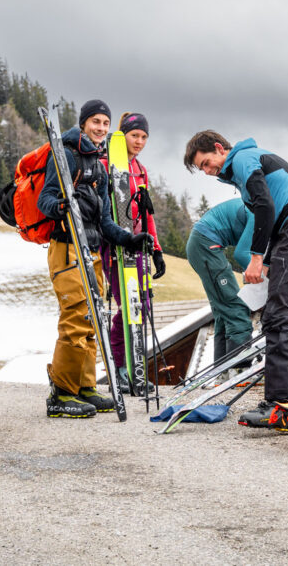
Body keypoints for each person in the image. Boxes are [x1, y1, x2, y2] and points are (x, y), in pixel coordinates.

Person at [183, 131, 288, 429]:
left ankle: (281, 404)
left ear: (220, 148)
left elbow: (265, 207)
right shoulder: (241, 169)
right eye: (202, 169)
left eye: (207, 163)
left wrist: (258, 258)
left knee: (278, 317)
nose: (208, 172)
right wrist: (268, 263)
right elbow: (269, 214)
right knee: (280, 316)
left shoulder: (244, 159)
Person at [38, 99, 152, 418]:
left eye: (105, 123)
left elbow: (104, 221)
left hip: (91, 250)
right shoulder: (66, 155)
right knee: (76, 316)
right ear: (84, 123)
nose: (101, 128)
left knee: (93, 318)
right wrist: (61, 207)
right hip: (67, 247)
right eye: (95, 122)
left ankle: (85, 386)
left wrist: (129, 238)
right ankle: (61, 393)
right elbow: (44, 199)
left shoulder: (99, 167)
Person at [100, 112, 166, 393]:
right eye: (134, 135)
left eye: (144, 137)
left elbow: (146, 213)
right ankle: (120, 368)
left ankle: (134, 366)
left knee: (142, 305)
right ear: (122, 135)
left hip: (138, 244)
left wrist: (156, 250)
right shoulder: (104, 165)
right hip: (113, 245)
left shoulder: (140, 169)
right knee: (127, 306)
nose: (139, 141)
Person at [186, 198, 255, 365]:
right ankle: (240, 370)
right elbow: (242, 254)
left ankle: (222, 371)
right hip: (205, 245)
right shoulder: (258, 213)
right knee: (235, 307)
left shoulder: (260, 208)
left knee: (223, 312)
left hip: (202, 243)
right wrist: (265, 278)